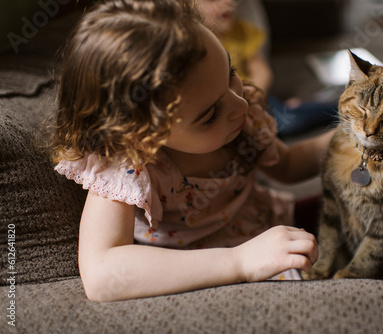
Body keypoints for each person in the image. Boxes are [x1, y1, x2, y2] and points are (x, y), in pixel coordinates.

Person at [51, 0, 327, 302]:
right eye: (209, 115)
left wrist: (345, 141)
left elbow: (287, 167)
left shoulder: (236, 107)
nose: (241, 105)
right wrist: (239, 261)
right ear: (143, 137)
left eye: (231, 72)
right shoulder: (129, 166)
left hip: (268, 223)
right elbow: (101, 275)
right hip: (204, 267)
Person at [197, 0, 339, 137]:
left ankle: (338, 110)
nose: (228, 2)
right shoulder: (190, 44)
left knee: (286, 123)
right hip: (221, 104)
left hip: (251, 95)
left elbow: (262, 71)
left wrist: (251, 96)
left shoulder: (241, 31)